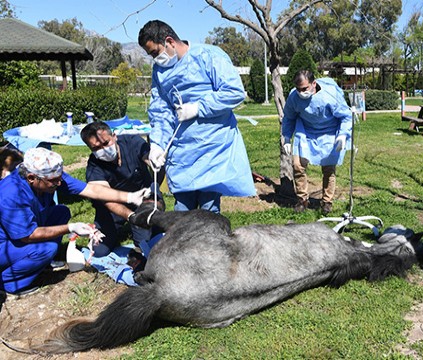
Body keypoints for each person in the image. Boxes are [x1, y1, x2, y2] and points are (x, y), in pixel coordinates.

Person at [138, 19, 255, 214]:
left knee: (209, 211)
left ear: (170, 41)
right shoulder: (159, 70)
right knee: (182, 210)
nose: (155, 59)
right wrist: (157, 144)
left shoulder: (209, 56)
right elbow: (160, 109)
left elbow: (234, 91)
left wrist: (199, 107)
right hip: (182, 149)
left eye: (155, 53)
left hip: (212, 146)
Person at [0, 147, 151, 295]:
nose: (59, 183)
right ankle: (9, 282)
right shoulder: (12, 194)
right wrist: (70, 228)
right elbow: (28, 235)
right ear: (32, 178)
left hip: (23, 232)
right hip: (5, 244)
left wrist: (129, 197)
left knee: (61, 212)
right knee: (46, 249)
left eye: (60, 178)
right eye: (53, 181)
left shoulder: (49, 175)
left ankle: (39, 263)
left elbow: (91, 190)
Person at [80, 121, 163, 257]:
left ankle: (149, 224)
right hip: (113, 208)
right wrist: (131, 216)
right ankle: (126, 224)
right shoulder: (94, 166)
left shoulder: (132, 141)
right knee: (99, 251)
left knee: (151, 244)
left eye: (106, 143)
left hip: (144, 199)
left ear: (114, 136)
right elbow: (105, 199)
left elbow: (154, 164)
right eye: (96, 148)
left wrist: (154, 185)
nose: (103, 149)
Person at [281, 70, 352, 215]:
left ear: (314, 84)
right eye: (298, 89)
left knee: (328, 168)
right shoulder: (294, 97)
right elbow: (289, 117)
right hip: (306, 131)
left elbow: (345, 116)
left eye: (305, 89)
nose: (301, 92)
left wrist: (343, 135)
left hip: (329, 132)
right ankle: (302, 199)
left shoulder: (329, 95)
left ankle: (327, 201)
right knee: (298, 165)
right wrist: (287, 137)